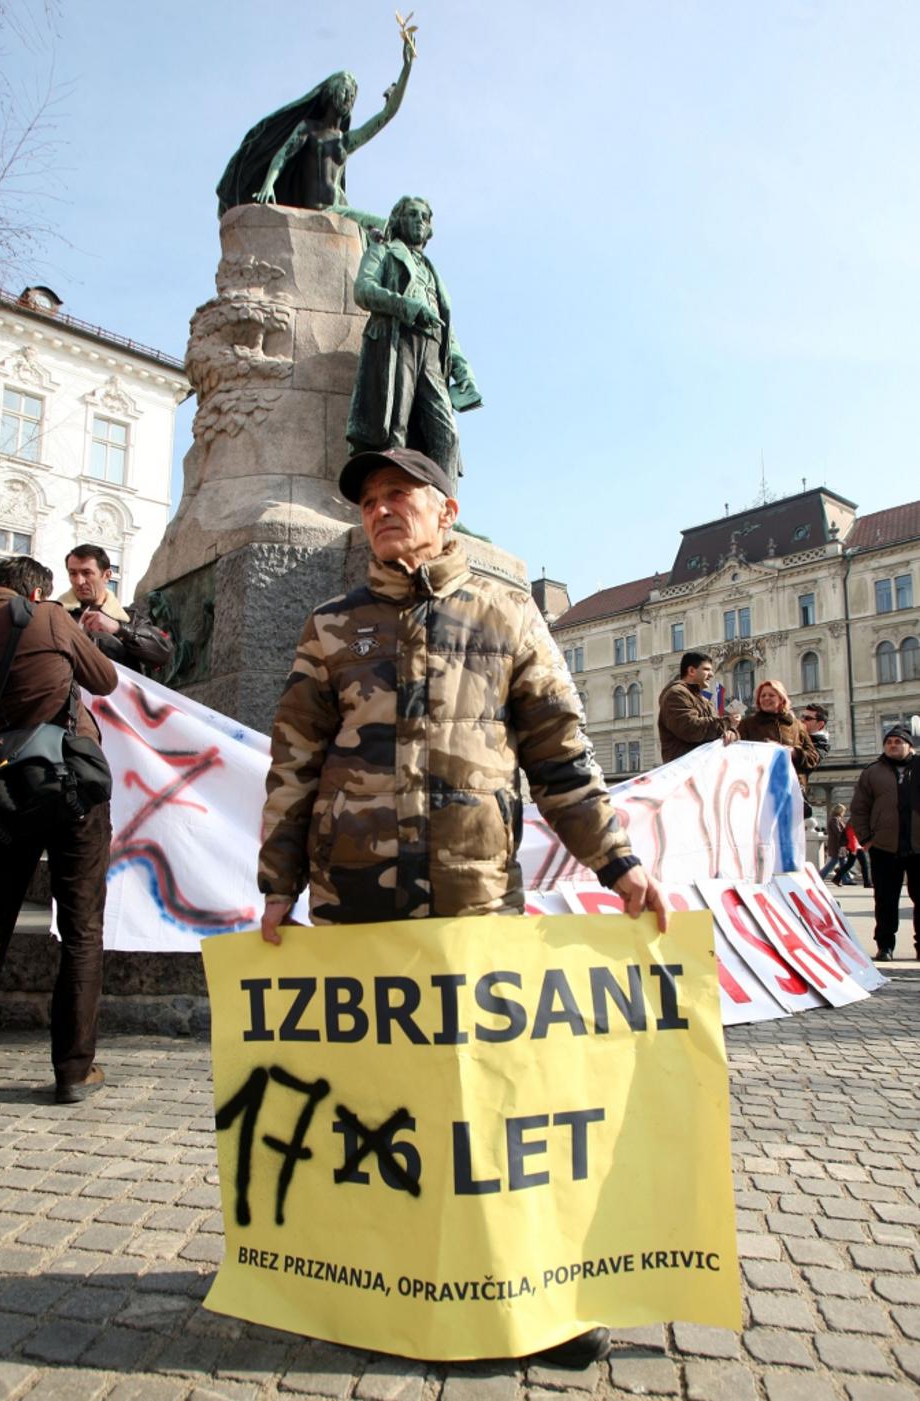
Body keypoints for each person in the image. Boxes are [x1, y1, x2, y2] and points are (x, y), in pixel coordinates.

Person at [258, 445, 670, 1368]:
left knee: (492, 1106)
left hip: (473, 899)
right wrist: (277, 882)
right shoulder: (331, 626)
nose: (380, 510)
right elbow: (291, 760)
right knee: (373, 1107)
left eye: (398, 495)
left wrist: (619, 861)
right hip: (355, 906)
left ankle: (534, 1296)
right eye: (368, 500)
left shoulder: (506, 612)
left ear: (445, 510)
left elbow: (562, 753)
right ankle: (372, 1283)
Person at [0, 556, 118, 1102]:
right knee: (82, 930)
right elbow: (103, 679)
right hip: (63, 789)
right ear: (35, 593)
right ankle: (73, 1069)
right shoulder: (46, 618)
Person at [346, 197, 481, 493]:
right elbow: (363, 289)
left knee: (447, 435)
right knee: (395, 430)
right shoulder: (382, 250)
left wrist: (462, 370)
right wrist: (406, 306)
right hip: (396, 343)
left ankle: (444, 509)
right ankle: (396, 498)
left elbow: (448, 329)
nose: (419, 221)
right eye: (412, 215)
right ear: (398, 219)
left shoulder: (432, 270)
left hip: (432, 353)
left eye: (424, 217)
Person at [216, 33, 415, 216]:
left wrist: (406, 68)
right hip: (315, 209)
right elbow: (282, 156)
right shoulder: (309, 129)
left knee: (385, 229)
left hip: (340, 210)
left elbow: (388, 114)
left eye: (353, 95)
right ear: (330, 92)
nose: (350, 97)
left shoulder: (345, 141)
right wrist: (268, 185)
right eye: (345, 90)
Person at [850, 724, 920, 961]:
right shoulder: (872, 772)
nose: (892, 745)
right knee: (885, 900)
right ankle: (885, 946)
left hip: (918, 847)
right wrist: (867, 839)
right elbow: (859, 809)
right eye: (888, 742)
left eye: (898, 742)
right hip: (884, 847)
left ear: (909, 745)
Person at [60, 544, 173, 676]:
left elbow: (163, 654)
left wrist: (120, 629)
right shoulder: (54, 616)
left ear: (107, 575)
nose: (79, 581)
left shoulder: (129, 618)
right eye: (73, 573)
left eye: (87, 573)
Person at [656, 652, 739, 764]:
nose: (712, 674)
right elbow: (690, 728)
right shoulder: (676, 694)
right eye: (706, 669)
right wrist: (727, 722)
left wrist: (731, 733)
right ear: (691, 671)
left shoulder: (704, 700)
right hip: (684, 770)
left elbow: (713, 730)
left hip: (702, 768)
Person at [738, 680, 820, 789]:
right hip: (761, 789)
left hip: (792, 788)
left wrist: (794, 752)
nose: (766, 698)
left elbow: (813, 757)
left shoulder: (796, 725)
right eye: (763, 696)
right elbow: (738, 756)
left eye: (771, 695)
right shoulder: (747, 724)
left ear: (781, 699)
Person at [799, 703, 830, 817]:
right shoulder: (798, 733)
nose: (802, 721)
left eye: (807, 718)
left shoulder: (821, 744)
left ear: (820, 725)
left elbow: (808, 761)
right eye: (802, 717)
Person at [833, 820, 871, 889]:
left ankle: (837, 878)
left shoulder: (851, 824)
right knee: (864, 865)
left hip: (855, 847)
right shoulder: (852, 825)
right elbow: (852, 837)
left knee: (849, 864)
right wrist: (854, 849)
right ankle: (867, 883)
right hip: (855, 847)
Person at [819, 804, 850, 883]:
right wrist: (847, 835)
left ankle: (845, 879)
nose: (844, 813)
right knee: (834, 861)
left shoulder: (837, 819)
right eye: (843, 811)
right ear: (840, 811)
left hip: (839, 844)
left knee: (843, 862)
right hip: (837, 844)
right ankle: (820, 876)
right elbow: (838, 832)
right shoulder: (834, 820)